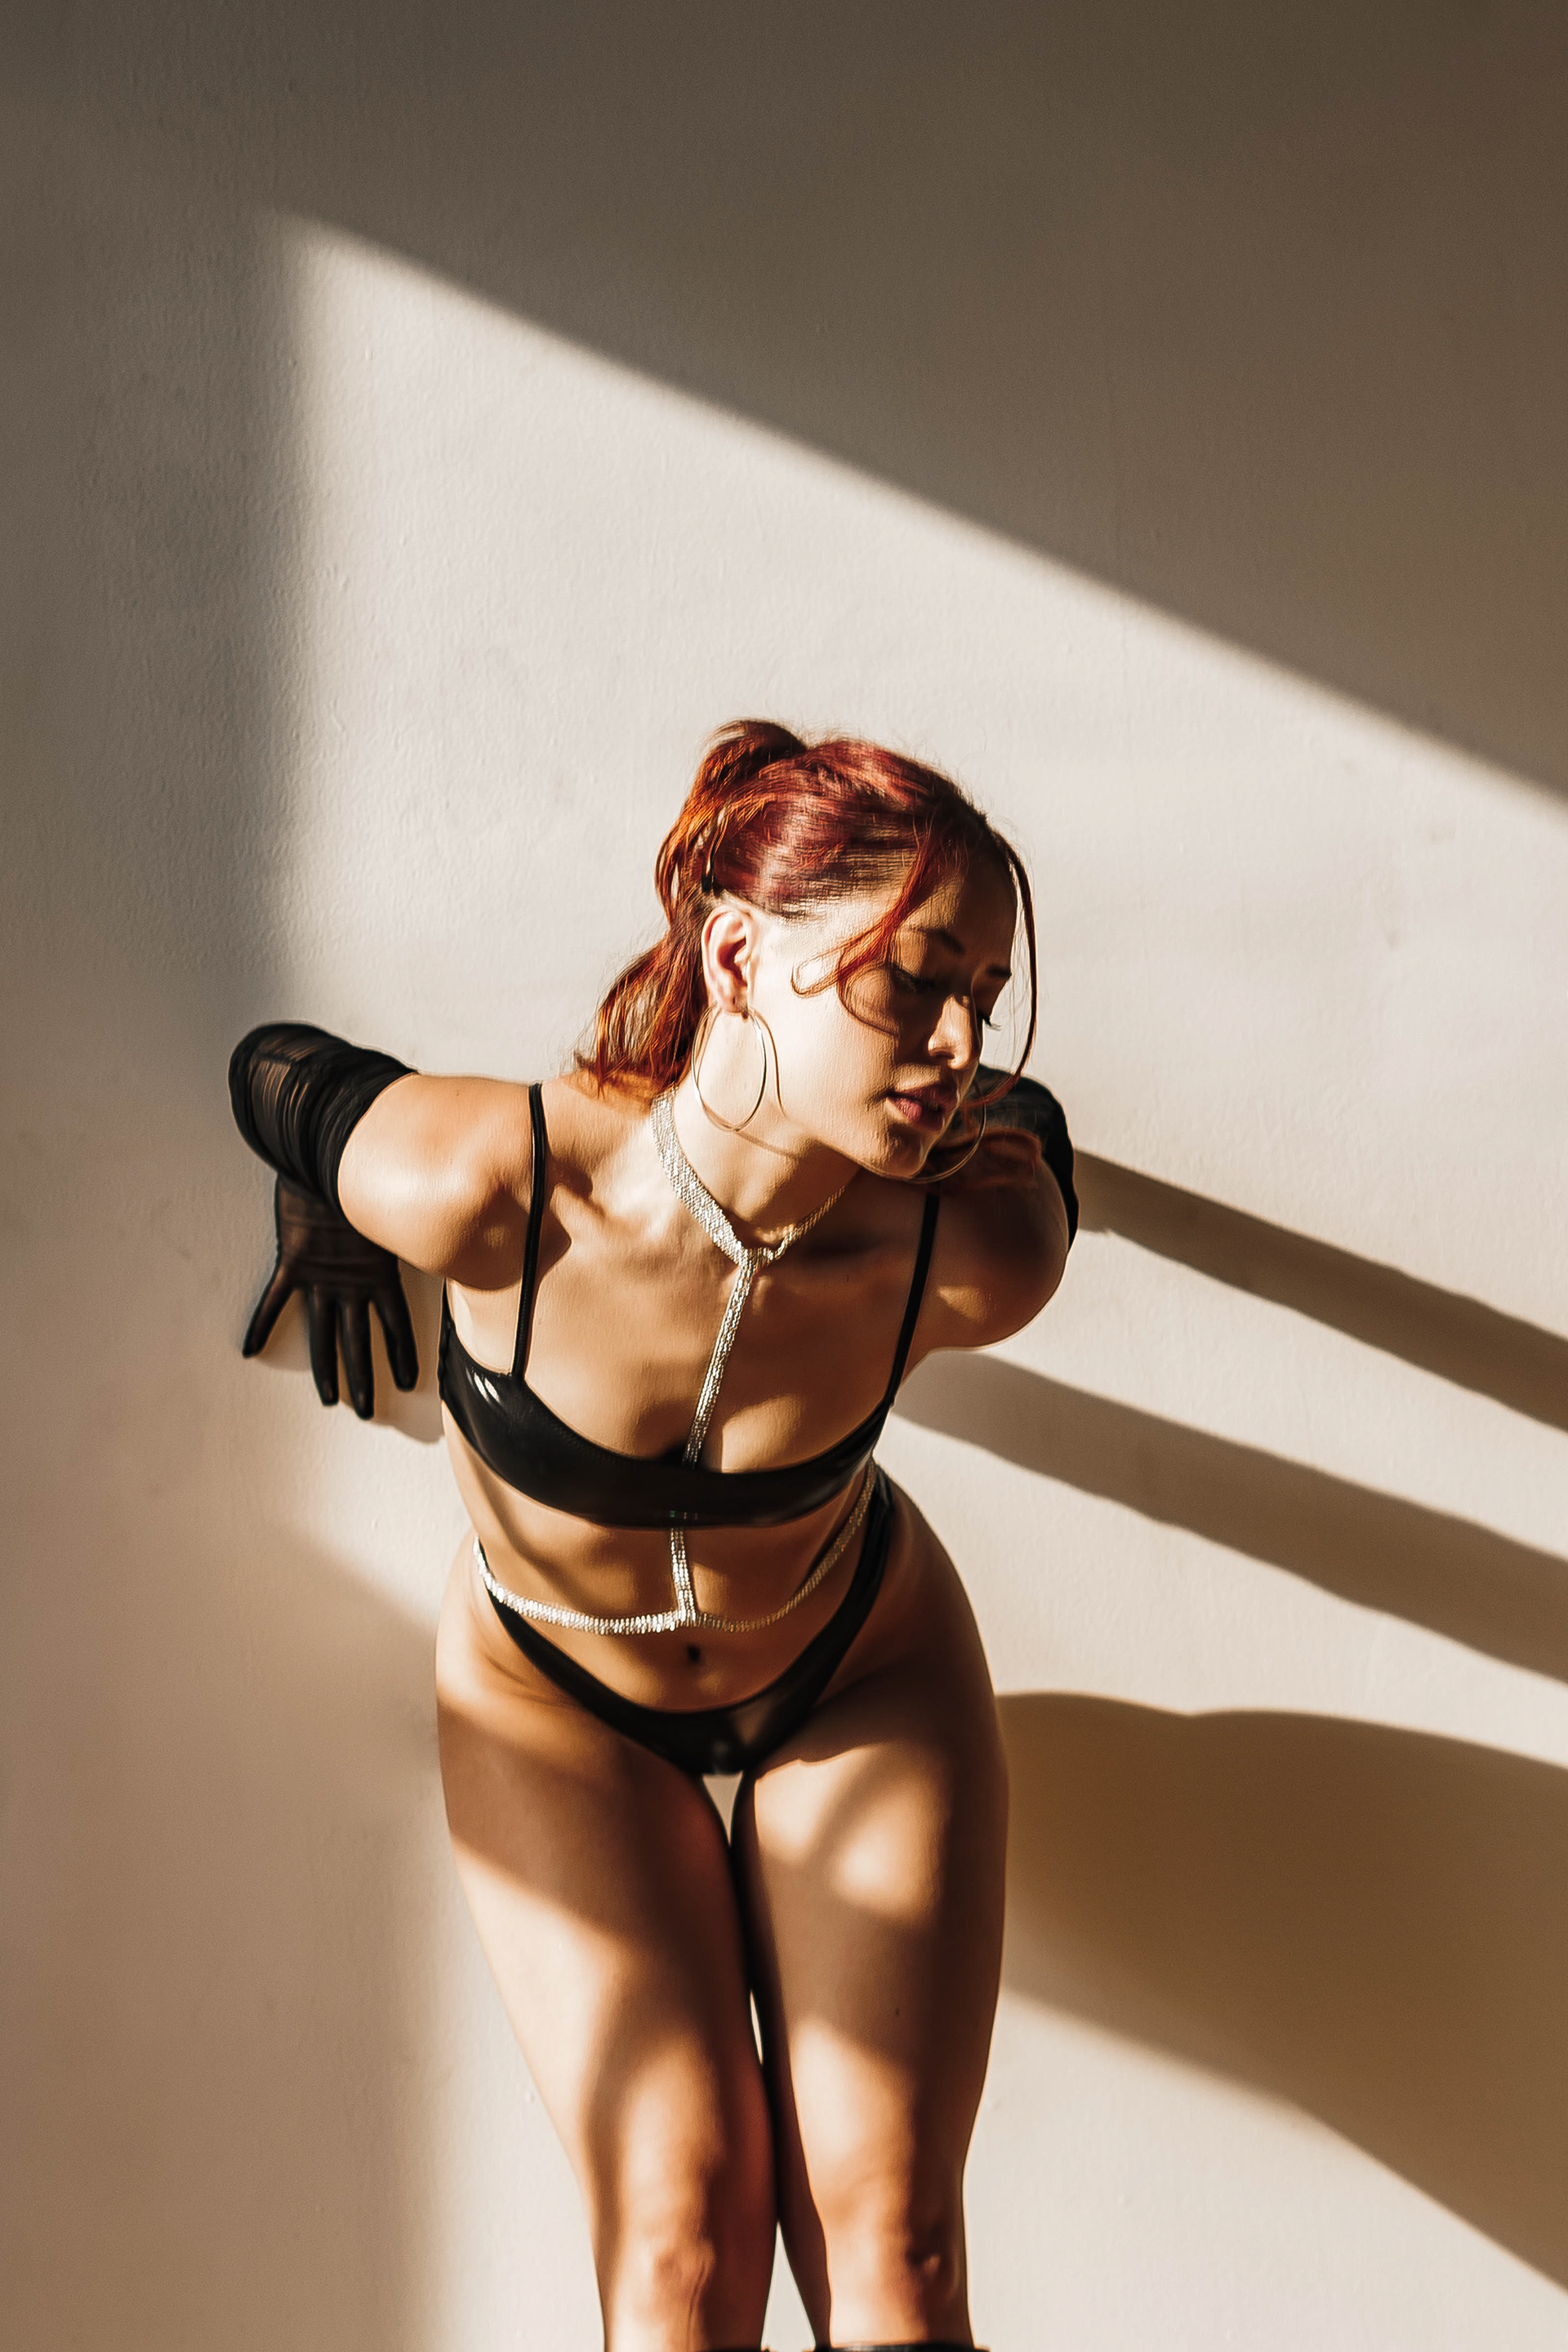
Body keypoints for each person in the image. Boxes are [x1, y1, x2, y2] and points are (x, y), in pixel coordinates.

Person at [229, 722, 1076, 2352]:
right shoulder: (498, 1187)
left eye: (986, 993)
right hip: (557, 1708)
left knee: (897, 2256)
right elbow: (279, 1070)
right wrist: (327, 1217)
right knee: (681, 2244)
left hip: (858, 1672)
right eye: (916, 982)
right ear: (739, 958)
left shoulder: (971, 1257)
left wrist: (993, 1113)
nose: (960, 1040)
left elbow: (1032, 1136)